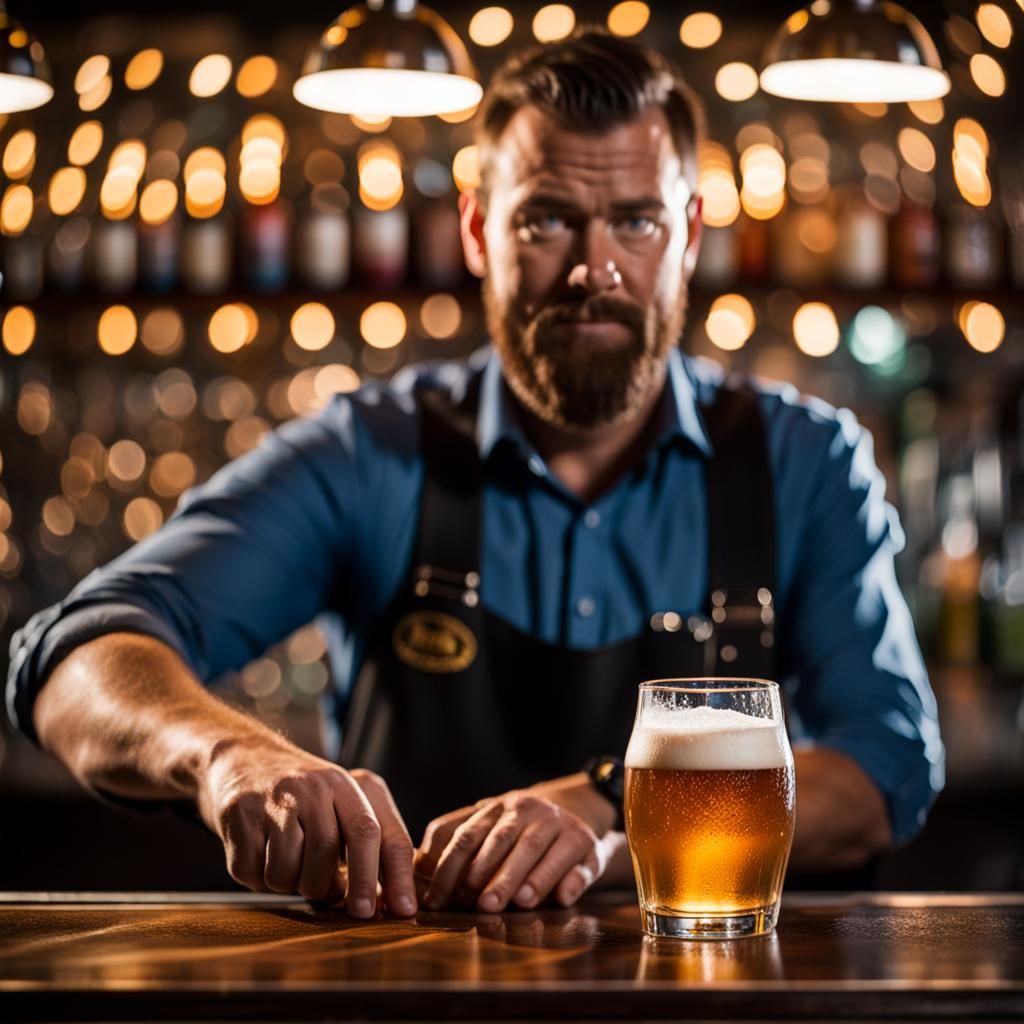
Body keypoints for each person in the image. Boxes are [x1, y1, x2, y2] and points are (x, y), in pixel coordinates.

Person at [6, 30, 943, 919]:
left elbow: (886, 767)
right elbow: (72, 660)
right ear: (476, 233)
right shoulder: (369, 454)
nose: (593, 269)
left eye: (636, 222)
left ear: (689, 237)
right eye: (546, 219)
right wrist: (224, 755)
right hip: (409, 1000)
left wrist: (610, 811)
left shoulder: (805, 462)